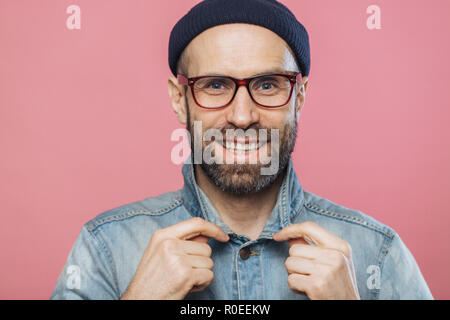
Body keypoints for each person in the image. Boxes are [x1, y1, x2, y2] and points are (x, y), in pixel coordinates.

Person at [51, 0, 433, 300]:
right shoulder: (105, 247)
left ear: (298, 97)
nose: (242, 116)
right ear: (179, 100)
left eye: (267, 85)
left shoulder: (378, 252)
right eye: (215, 85)